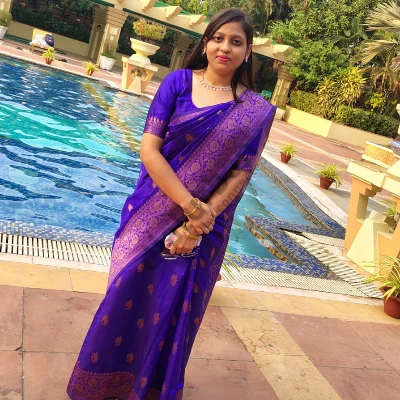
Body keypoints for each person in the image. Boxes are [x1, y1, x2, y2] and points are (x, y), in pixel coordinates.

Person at [67, 8, 276, 400]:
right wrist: (191, 208)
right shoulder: (177, 82)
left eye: (236, 42)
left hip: (204, 229)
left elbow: (241, 174)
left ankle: (151, 390)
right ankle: (102, 384)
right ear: (206, 42)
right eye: (218, 38)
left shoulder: (256, 112)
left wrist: (196, 225)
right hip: (149, 213)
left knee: (171, 311)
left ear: (248, 52)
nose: (225, 48)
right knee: (124, 299)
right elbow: (149, 150)